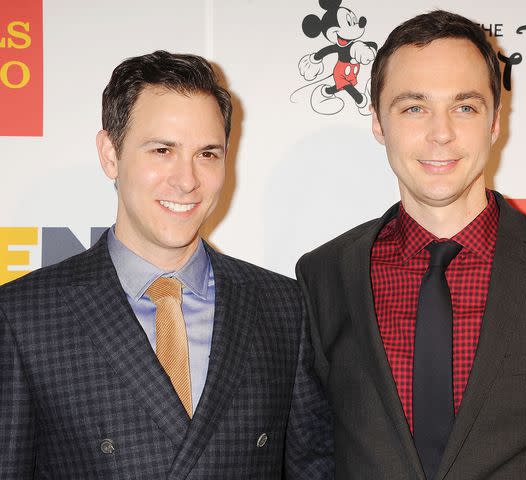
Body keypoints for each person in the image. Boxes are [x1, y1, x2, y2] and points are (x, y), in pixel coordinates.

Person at [296, 10, 526, 480]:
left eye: (465, 107)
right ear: (378, 121)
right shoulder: (322, 275)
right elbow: (312, 459)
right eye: (414, 107)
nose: (442, 133)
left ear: (495, 121)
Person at [0, 50, 332, 479]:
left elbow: (311, 468)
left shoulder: (283, 307)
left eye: (208, 154)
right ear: (110, 154)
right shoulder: (24, 315)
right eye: (162, 150)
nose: (187, 179)